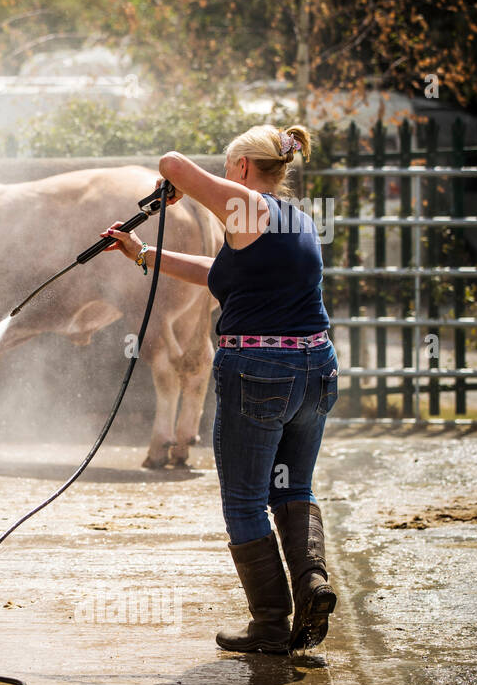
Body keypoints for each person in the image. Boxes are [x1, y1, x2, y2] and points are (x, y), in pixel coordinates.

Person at [103, 125, 338, 654]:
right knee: (292, 489)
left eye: (228, 167)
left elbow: (171, 162)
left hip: (260, 369)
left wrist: (184, 187)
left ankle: (272, 624)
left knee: (244, 501)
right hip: (315, 369)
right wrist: (142, 255)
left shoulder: (246, 206)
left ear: (240, 167)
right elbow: (221, 275)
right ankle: (312, 584)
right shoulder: (292, 219)